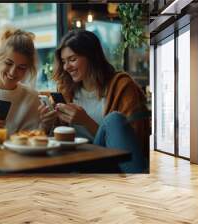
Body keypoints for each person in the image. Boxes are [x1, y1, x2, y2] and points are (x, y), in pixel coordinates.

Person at [52, 29, 150, 172]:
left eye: (72, 59)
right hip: (81, 162)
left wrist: (85, 121)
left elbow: (133, 141)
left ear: (92, 57)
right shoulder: (66, 91)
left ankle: (140, 186)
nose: (66, 67)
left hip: (115, 162)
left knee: (114, 119)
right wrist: (47, 124)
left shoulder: (122, 87)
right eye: (64, 61)